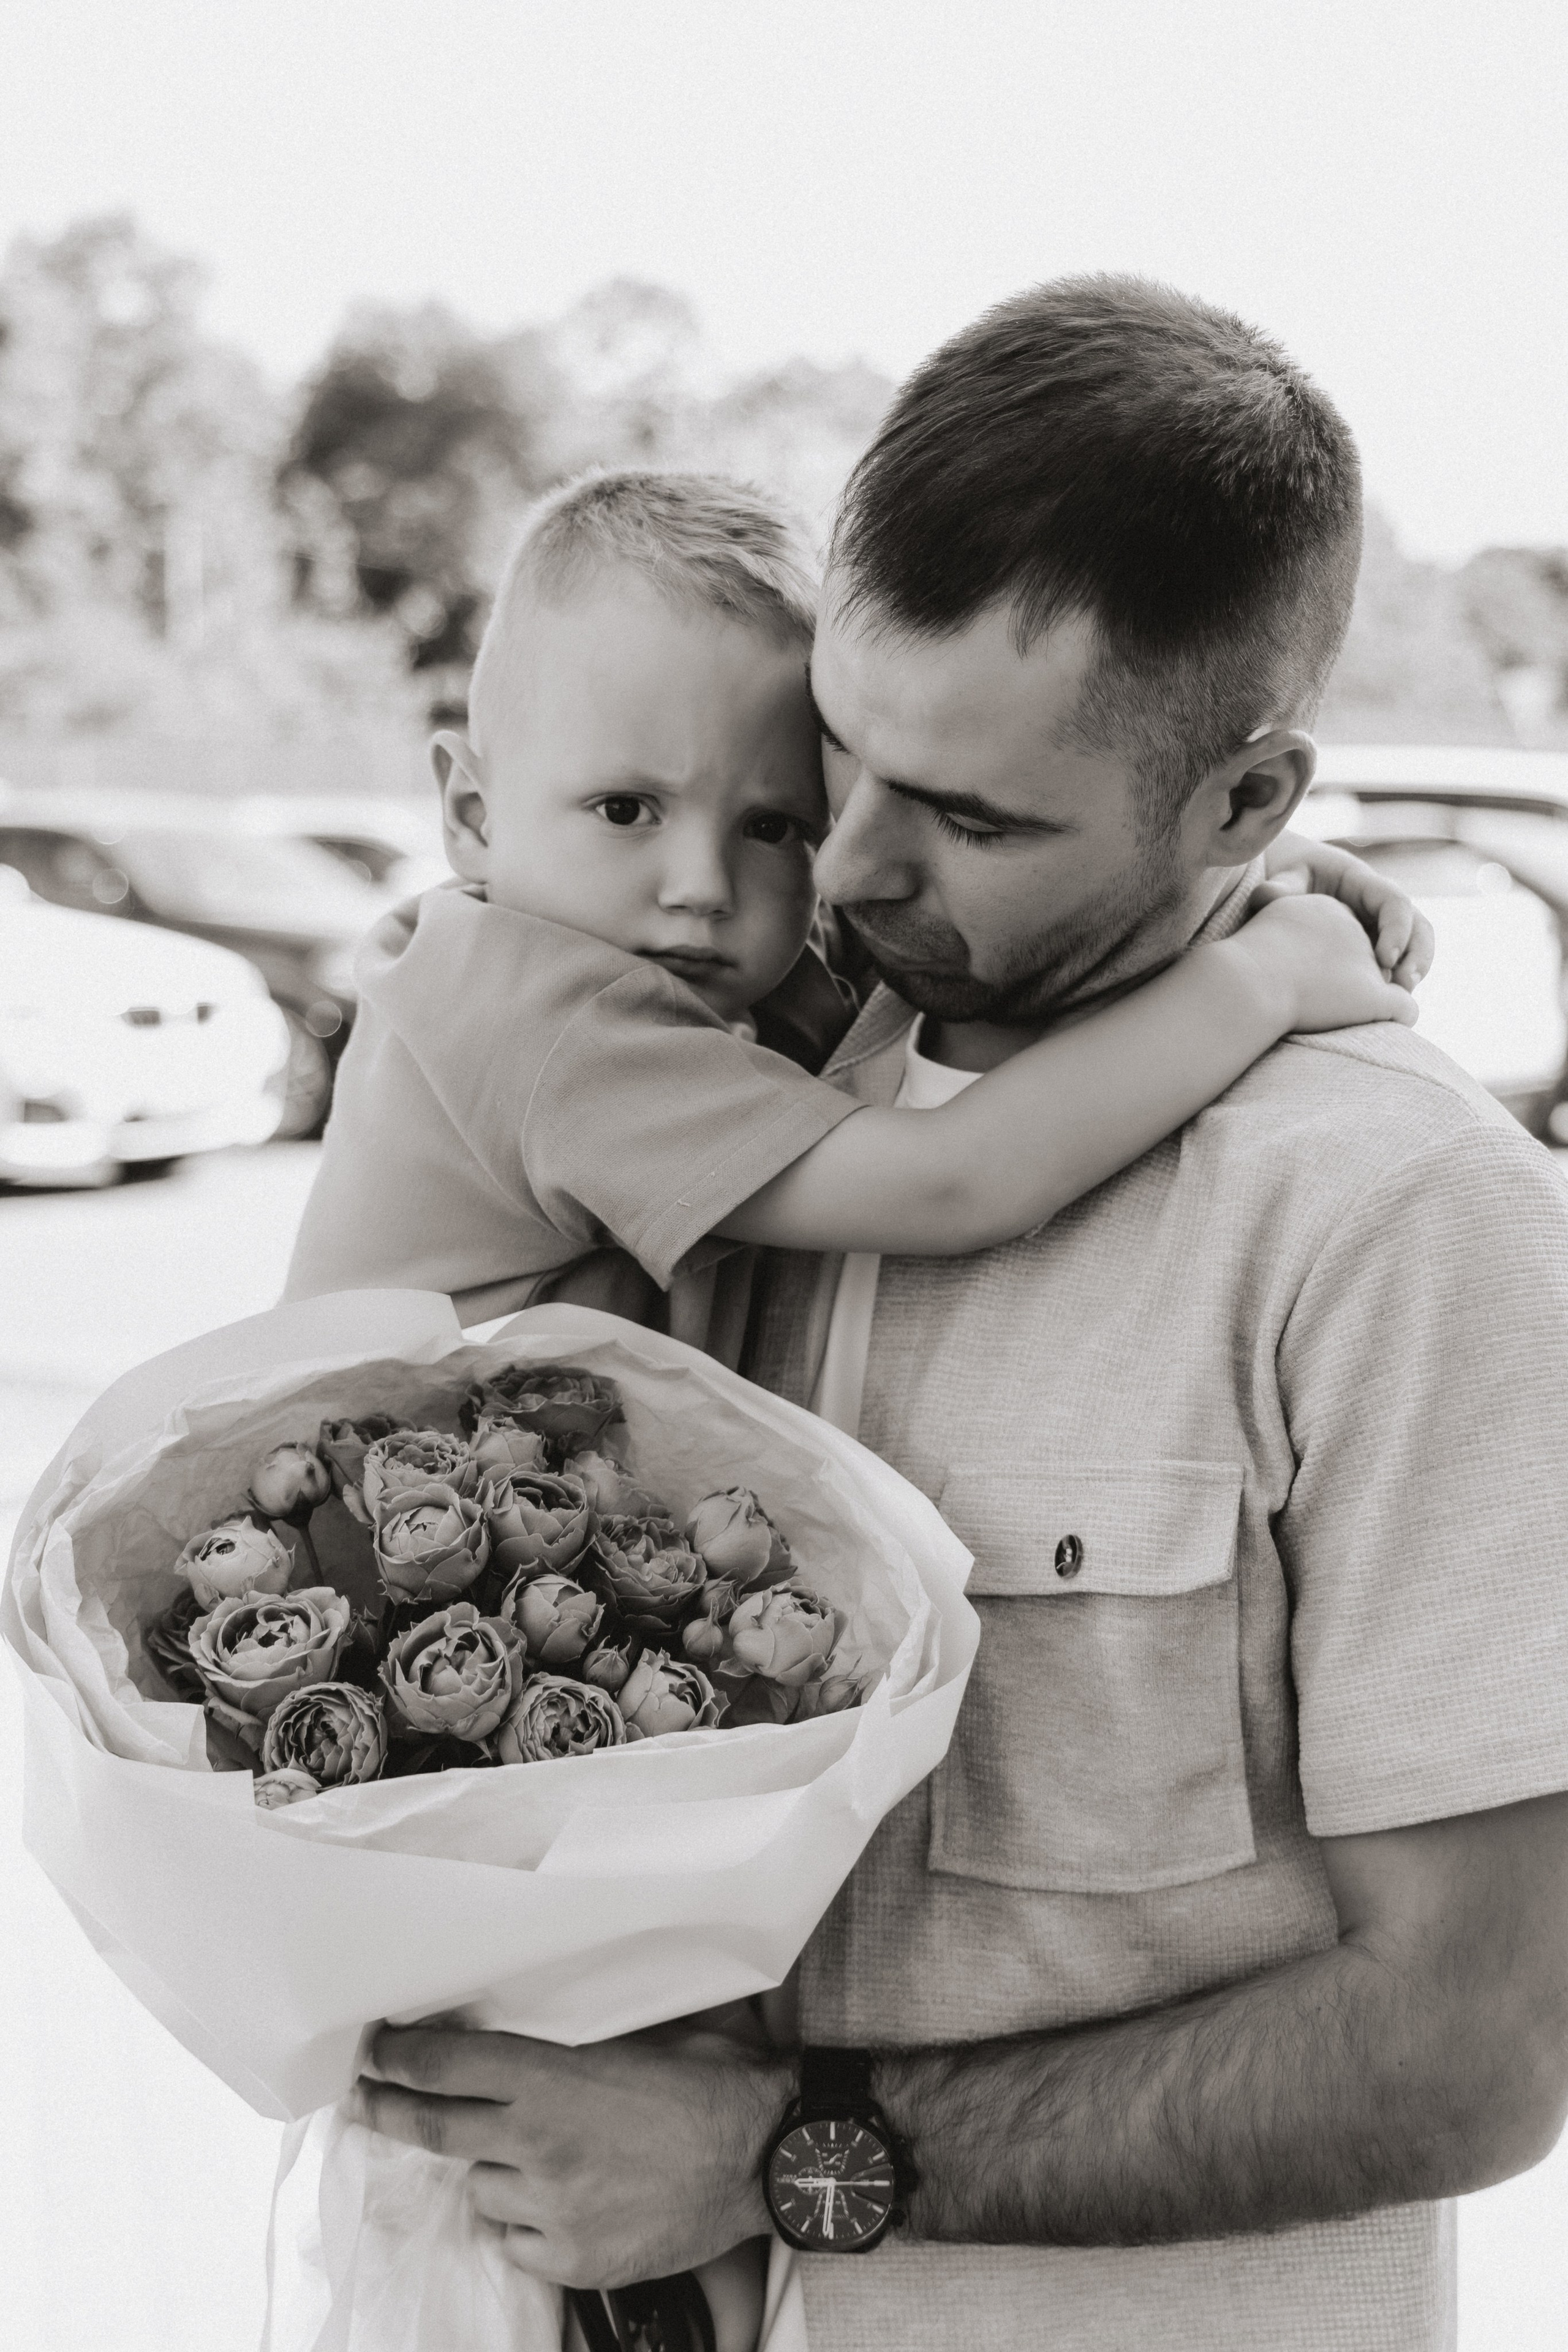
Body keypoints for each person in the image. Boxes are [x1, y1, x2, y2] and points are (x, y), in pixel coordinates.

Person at [345, 281, 1568, 2352]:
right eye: (843, 750)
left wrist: (777, 2159)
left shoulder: (1398, 1214)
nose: (845, 861)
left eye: (979, 820)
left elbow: (1475, 2045)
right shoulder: (757, 1051)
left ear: (1252, 806)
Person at [285, 467, 1418, 1370]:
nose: (704, 884)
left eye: (775, 825)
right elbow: (956, 1179)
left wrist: (1231, 856)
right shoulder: (541, 1021)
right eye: (625, 809)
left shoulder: (660, 943)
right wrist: (1265, 976)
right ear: (472, 814)